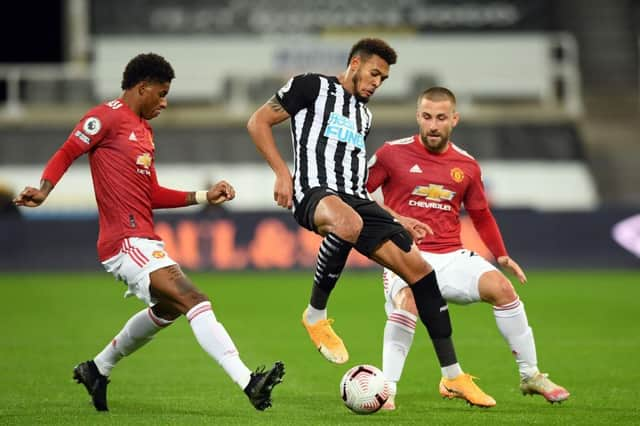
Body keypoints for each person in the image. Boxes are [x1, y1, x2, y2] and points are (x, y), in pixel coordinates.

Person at [13, 53, 284, 412]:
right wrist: (44, 189)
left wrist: (204, 196)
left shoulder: (144, 131)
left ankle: (97, 367)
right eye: (162, 93)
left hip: (143, 239)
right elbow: (67, 151)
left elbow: (151, 193)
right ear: (143, 88)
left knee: (170, 308)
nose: (165, 102)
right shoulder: (104, 117)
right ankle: (249, 381)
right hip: (124, 242)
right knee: (195, 299)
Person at [247, 38, 494, 407]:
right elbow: (258, 121)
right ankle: (316, 315)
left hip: (356, 200)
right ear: (355, 63)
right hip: (314, 191)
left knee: (422, 273)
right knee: (346, 224)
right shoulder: (310, 86)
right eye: (375, 73)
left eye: (384, 78)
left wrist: (396, 217)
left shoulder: (364, 115)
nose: (378, 82)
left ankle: (453, 375)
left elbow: (356, 183)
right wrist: (283, 173)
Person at [366, 86, 570, 410]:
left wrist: (501, 254)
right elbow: (357, 194)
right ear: (418, 116)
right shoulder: (391, 153)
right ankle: (386, 390)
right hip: (405, 254)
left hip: (450, 256)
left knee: (502, 289)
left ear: (454, 119)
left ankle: (530, 374)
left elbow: (481, 214)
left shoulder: (467, 165)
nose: (433, 125)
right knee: (409, 303)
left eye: (441, 118)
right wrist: (396, 218)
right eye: (427, 117)